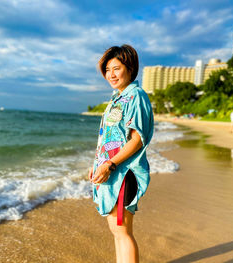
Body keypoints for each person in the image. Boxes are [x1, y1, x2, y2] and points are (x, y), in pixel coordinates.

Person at [88, 44, 154, 263]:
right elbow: (110, 138)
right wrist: (98, 163)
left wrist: (110, 165)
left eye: (116, 68)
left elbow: (136, 139)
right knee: (116, 231)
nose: (111, 74)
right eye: (107, 70)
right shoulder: (117, 98)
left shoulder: (136, 96)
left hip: (123, 173)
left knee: (122, 231)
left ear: (130, 68)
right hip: (111, 171)